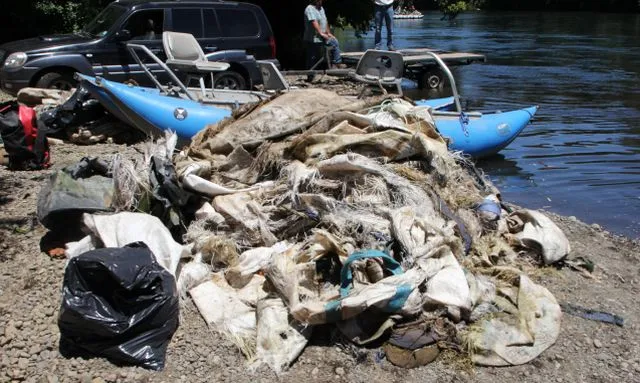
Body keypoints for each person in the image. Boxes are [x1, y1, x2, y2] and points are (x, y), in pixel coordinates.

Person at [303, 0, 346, 70]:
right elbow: (314, 22)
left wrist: (328, 33)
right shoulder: (309, 8)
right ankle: (310, 74)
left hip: (322, 36)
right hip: (312, 38)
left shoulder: (321, 8)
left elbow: (325, 21)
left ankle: (336, 64)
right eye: (320, 0)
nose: (321, 1)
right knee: (312, 57)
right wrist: (321, 33)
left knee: (334, 42)